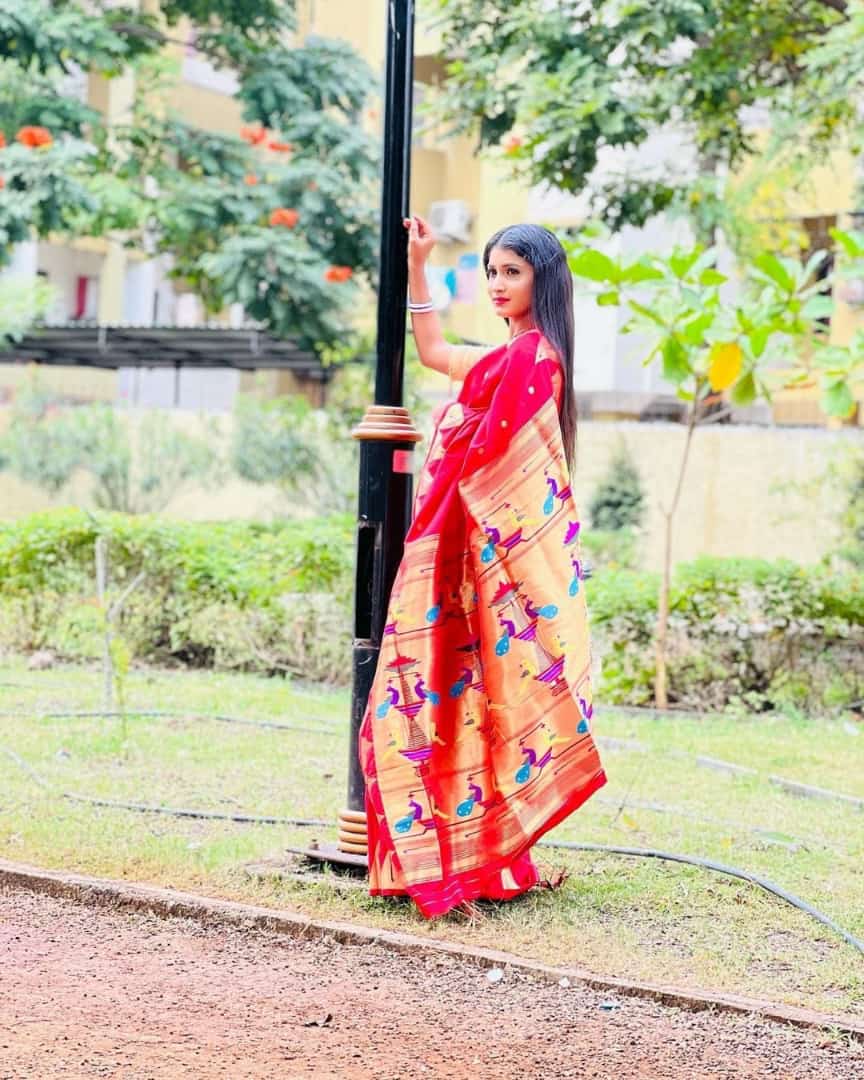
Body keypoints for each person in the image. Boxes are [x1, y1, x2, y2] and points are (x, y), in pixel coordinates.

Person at [358, 216, 606, 918]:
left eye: (513, 273)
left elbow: (502, 477)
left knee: (461, 694)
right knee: (448, 694)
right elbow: (434, 350)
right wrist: (417, 264)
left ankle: (468, 863)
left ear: (543, 280)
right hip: (451, 552)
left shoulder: (537, 360)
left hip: (472, 560)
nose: (499, 285)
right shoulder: (507, 356)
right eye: (493, 272)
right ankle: (463, 859)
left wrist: (459, 440)